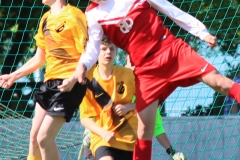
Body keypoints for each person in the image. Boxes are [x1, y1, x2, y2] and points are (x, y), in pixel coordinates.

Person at [58, 0, 240, 159]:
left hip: (172, 50)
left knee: (220, 83)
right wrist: (81, 67)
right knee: (144, 130)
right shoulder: (92, 14)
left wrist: (202, 32)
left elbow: (170, 10)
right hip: (146, 70)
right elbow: (93, 49)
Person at [0, 0, 88, 160]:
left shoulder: (74, 16)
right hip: (49, 83)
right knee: (34, 137)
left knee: (44, 138)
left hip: (69, 83)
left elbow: (87, 54)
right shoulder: (45, 19)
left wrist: (74, 79)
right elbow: (38, 59)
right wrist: (14, 75)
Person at [79, 35, 138, 160]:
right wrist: (103, 133)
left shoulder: (128, 75)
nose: (108, 52)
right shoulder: (88, 80)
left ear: (116, 51)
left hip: (129, 138)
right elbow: (84, 119)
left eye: (111, 49)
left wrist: (129, 107)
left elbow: (148, 103)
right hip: (102, 138)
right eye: (104, 49)